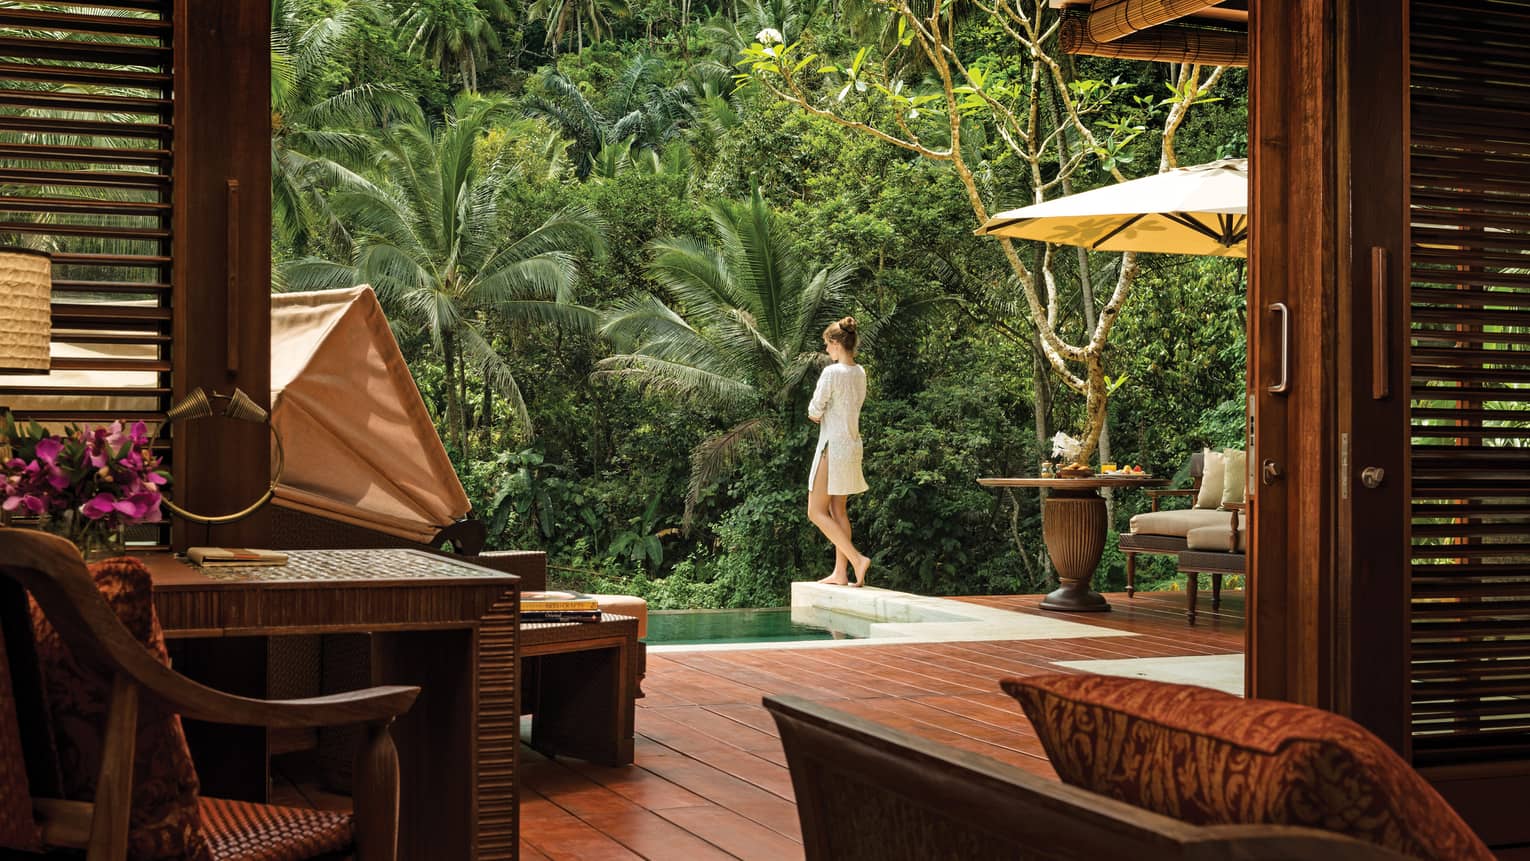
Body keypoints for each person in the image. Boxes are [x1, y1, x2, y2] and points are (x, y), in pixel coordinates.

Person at [806, 316, 872, 586]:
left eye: (827, 344)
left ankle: (857, 559)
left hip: (832, 446)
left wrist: (817, 414)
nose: (826, 350)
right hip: (852, 446)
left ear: (835, 343)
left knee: (815, 511)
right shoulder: (860, 372)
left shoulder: (831, 372)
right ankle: (840, 573)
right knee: (838, 510)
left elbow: (814, 410)